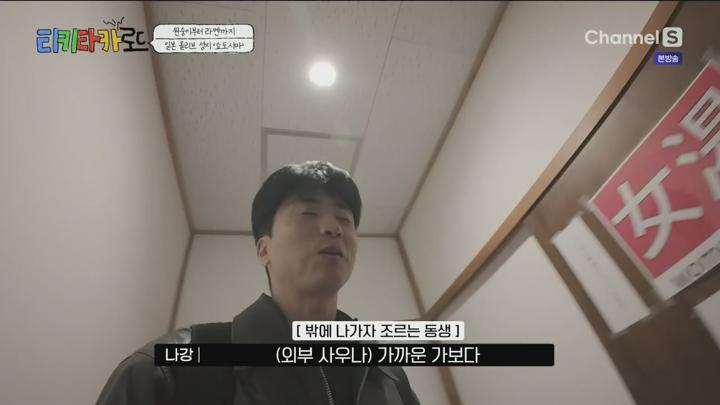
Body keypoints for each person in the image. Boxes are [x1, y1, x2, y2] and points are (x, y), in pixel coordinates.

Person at [96, 160, 420, 405]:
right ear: (264, 249)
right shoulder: (169, 368)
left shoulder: (388, 374)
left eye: (345, 220)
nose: (334, 229)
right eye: (309, 214)